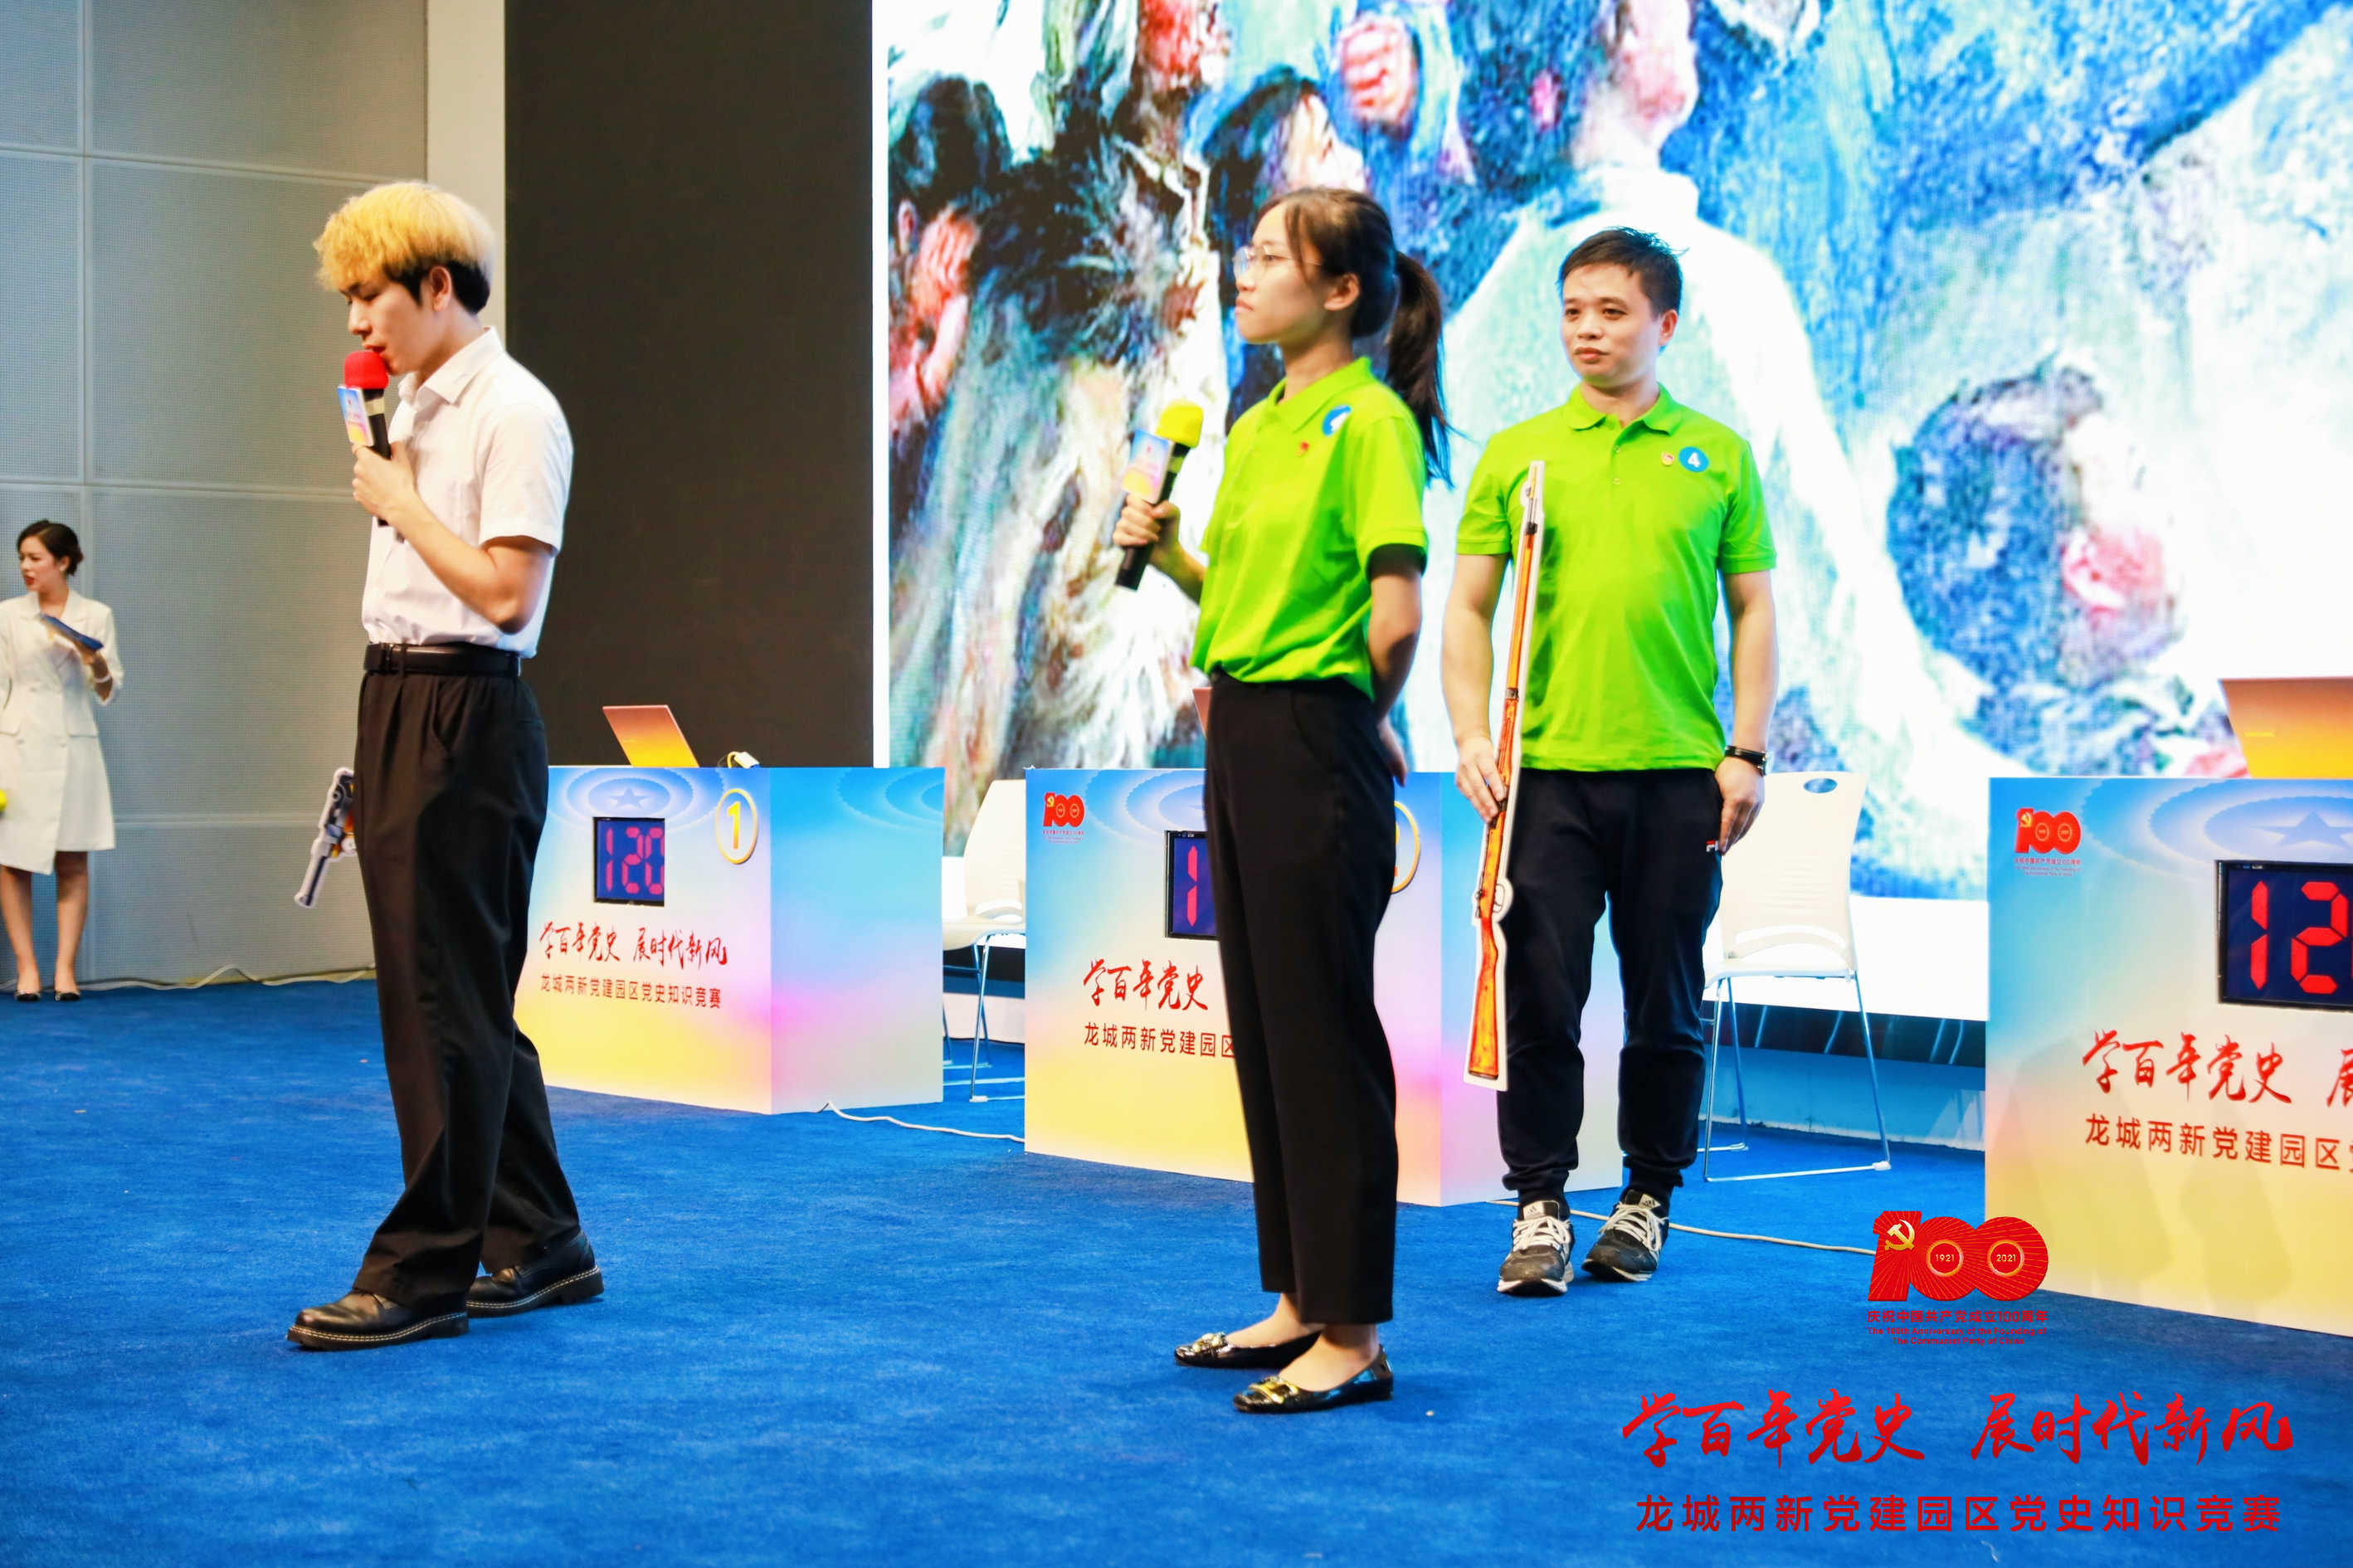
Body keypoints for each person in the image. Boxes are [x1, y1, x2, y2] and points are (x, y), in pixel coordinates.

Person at [1117, 187, 1440, 1413]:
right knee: (1265, 1027)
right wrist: (1170, 558)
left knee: (1322, 1035)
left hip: (1313, 733)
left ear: (1342, 290)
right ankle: (1299, 1299)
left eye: (1268, 256)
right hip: (1243, 725)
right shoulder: (1255, 425)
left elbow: (1393, 614)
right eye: (1244, 254)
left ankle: (1353, 1334)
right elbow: (1249, 598)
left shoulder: (1371, 422)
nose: (1241, 275)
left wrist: (1359, 712)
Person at [1442, 227, 1777, 1294]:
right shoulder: (1520, 455)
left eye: (1612, 311)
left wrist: (1746, 749)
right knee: (1540, 999)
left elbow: (1753, 608)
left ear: (1664, 325)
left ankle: (1646, 1199)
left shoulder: (1717, 455)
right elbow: (1467, 608)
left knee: (1664, 1002)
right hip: (1544, 778)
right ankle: (1539, 1205)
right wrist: (1468, 736)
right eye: (1573, 311)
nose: (1587, 330)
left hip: (1679, 775)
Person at [290, 182, 597, 1351]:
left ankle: (424, 1270)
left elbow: (510, 596)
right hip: (400, 697)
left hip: (466, 706)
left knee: (440, 1003)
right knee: (454, 996)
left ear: (435, 284)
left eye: (368, 294)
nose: (355, 322)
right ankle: (544, 1236)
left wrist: (404, 503)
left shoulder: (514, 411)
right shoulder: (408, 406)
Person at [1887, 362, 2242, 778]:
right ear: (2089, 573)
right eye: (2138, 482)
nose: (2168, 513)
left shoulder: (2061, 737)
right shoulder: (2163, 767)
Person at [0, 521, 121, 1003]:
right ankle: (27, 969)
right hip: (17, 747)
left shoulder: (96, 614)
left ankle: (65, 970)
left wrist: (94, 660)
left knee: (73, 858)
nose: (25, 567)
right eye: (22, 558)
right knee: (13, 861)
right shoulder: (8, 615)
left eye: (35, 558)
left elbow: (108, 691)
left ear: (63, 562)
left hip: (74, 744)